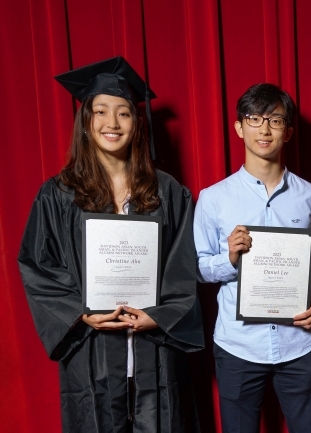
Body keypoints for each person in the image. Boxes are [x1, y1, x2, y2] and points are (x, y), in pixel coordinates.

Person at [17, 57, 204, 433]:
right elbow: (38, 264)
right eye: (101, 111)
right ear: (86, 123)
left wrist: (163, 315)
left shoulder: (167, 191)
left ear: (137, 125)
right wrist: (79, 312)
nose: (112, 123)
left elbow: (184, 262)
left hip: (155, 347)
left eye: (124, 113)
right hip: (93, 347)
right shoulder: (58, 194)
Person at [193, 83, 311, 433]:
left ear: (288, 132)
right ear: (240, 128)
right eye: (254, 119)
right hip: (238, 343)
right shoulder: (213, 199)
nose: (265, 129)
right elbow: (198, 267)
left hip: (298, 342)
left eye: (274, 119)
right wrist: (229, 258)